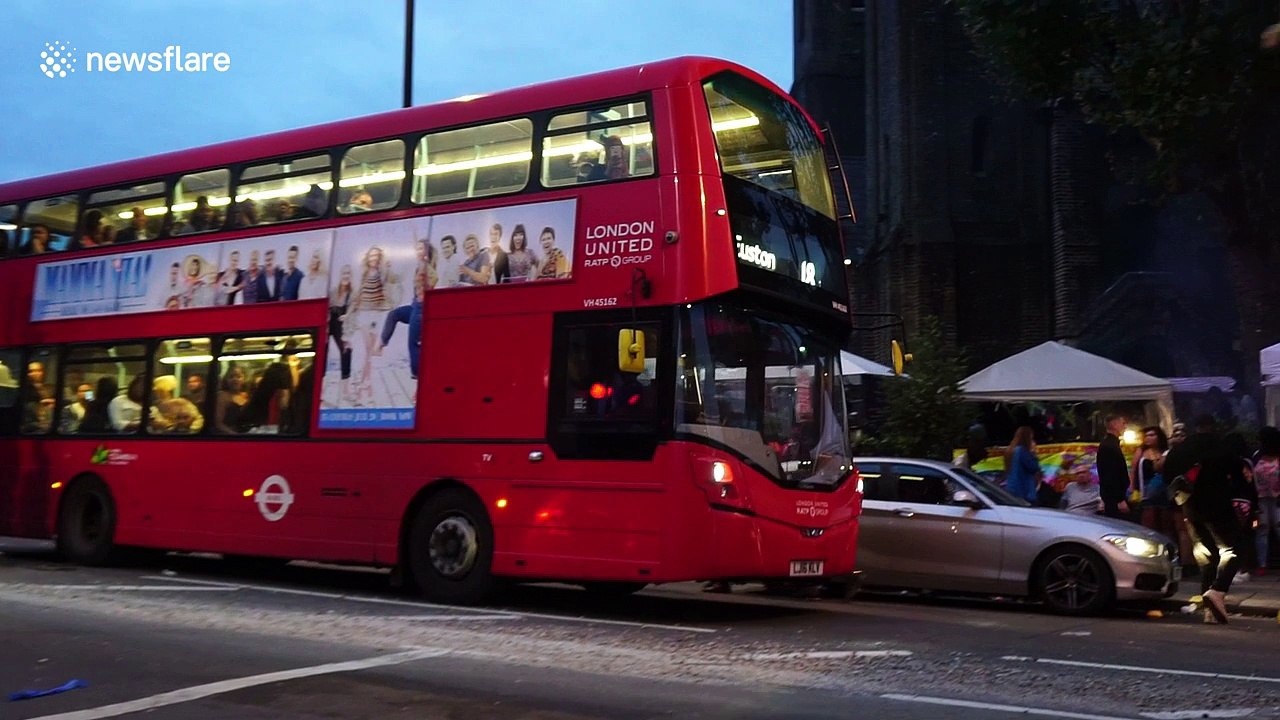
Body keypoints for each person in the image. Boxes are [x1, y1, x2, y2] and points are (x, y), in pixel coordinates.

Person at [1165, 415, 1246, 624]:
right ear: (1213, 426)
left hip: (1190, 508)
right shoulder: (1221, 448)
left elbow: (1168, 477)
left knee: (1206, 555)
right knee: (1233, 550)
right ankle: (1218, 591)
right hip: (1219, 506)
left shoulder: (1179, 450)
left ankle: (1210, 611)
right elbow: (1238, 476)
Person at [1133, 426, 1175, 539]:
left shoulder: (1165, 451)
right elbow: (1134, 470)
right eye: (1146, 436)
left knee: (1166, 523)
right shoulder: (1141, 451)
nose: (1148, 438)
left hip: (1163, 490)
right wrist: (1133, 489)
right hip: (1146, 490)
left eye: (1152, 435)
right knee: (1149, 523)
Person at [1253, 426, 1280, 574]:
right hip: (1262, 500)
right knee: (1263, 529)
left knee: (1263, 530)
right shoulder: (1258, 455)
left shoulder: (1257, 456)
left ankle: (1262, 564)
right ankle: (1262, 563)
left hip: (1268, 499)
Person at [241, 362, 293, 433]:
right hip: (270, 429)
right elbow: (283, 405)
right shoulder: (282, 392)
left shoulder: (262, 390)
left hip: (258, 428)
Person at [328, 265, 354, 400]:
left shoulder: (351, 293)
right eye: (344, 273)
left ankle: (345, 389)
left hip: (341, 323)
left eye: (348, 274)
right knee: (322, 350)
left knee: (347, 350)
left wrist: (347, 316)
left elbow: (352, 310)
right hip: (329, 321)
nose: (346, 276)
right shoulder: (333, 291)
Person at [1096, 414, 1130, 519]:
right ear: (1115, 425)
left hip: (1114, 497)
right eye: (1123, 423)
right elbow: (1110, 475)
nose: (1125, 427)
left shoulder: (1111, 444)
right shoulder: (1109, 446)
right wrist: (1120, 499)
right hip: (1114, 500)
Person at [1004, 426, 1041, 504]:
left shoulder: (1010, 450)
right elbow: (1033, 467)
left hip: (1012, 489)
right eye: (1031, 438)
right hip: (1024, 491)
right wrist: (1033, 453)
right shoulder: (1022, 451)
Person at [21, 360, 55, 433]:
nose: (35, 374)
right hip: (34, 426)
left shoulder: (51, 388)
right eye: (31, 371)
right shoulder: (24, 390)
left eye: (38, 370)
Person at [214, 365, 248, 434]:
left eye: (238, 377)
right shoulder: (222, 396)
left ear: (244, 379)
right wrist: (236, 436)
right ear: (226, 380)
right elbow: (218, 423)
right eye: (231, 377)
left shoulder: (247, 396)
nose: (235, 379)